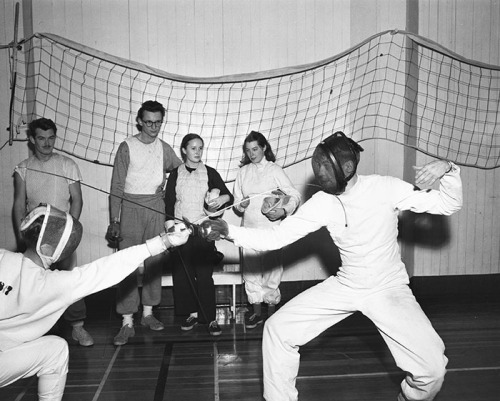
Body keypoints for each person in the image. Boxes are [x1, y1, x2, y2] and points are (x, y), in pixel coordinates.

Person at [201, 131, 463, 401]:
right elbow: (275, 237)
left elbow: (449, 203)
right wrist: (228, 230)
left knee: (432, 370)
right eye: (319, 165)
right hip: (347, 284)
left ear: (346, 167)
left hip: (388, 288)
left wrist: (449, 168)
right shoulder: (323, 202)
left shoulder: (385, 187)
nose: (319, 172)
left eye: (325, 166)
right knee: (277, 329)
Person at [0, 203, 190, 401]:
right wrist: (164, 241)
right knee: (55, 352)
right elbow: (108, 268)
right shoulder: (52, 284)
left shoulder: (2, 256)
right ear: (49, 247)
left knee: (54, 349)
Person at [13, 117, 94, 347]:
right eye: (41, 138)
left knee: (70, 280)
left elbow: (77, 200)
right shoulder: (23, 168)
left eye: (51, 138)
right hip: (35, 236)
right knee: (33, 285)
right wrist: (22, 234)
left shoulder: (67, 164)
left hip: (62, 235)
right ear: (31, 139)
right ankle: (32, 333)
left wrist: (67, 231)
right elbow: (19, 203)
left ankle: (78, 328)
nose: (47, 143)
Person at [107, 100, 182, 346]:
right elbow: (116, 185)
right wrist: (114, 219)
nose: (153, 127)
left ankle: (148, 314)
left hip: (155, 208)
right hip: (129, 208)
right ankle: (127, 321)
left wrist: (166, 186)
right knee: (127, 263)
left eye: (158, 122)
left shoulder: (164, 148)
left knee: (154, 262)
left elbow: (180, 172)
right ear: (139, 121)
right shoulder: (127, 146)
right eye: (148, 122)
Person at [164, 133, 234, 336]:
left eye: (200, 148)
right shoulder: (176, 174)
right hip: (181, 231)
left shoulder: (209, 172)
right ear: (184, 150)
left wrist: (221, 198)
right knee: (184, 274)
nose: (197, 152)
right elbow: (169, 202)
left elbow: (228, 195)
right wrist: (171, 229)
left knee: (204, 275)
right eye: (193, 148)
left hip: (203, 230)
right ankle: (192, 314)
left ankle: (209, 318)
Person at [233, 131, 300, 329]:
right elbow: (237, 202)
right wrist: (241, 206)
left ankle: (271, 313)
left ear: (264, 148)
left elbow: (294, 195)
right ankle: (256, 314)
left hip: (271, 232)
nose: (252, 154)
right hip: (249, 231)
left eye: (255, 149)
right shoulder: (243, 172)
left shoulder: (274, 170)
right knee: (251, 273)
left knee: (272, 272)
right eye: (248, 150)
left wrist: (283, 211)